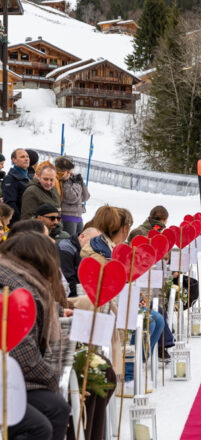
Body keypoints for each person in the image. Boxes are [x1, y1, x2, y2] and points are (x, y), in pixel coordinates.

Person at [0, 232, 71, 440]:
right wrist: (52, 378)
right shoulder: (15, 289)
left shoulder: (22, 281)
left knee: (57, 408)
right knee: (37, 427)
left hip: (10, 376)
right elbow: (23, 355)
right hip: (7, 376)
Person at [58, 227, 100, 297]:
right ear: (82, 237)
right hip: (67, 295)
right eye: (93, 242)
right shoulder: (65, 248)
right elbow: (68, 281)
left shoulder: (88, 249)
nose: (95, 246)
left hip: (80, 291)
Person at [55, 156, 90, 236]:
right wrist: (77, 184)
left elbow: (85, 197)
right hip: (67, 216)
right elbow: (72, 197)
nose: (71, 174)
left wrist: (81, 183)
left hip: (78, 216)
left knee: (79, 240)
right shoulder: (62, 182)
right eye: (70, 172)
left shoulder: (72, 180)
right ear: (64, 172)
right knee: (69, 240)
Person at [2, 148, 31, 225]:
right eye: (22, 157)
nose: (26, 159)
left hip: (29, 221)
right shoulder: (10, 179)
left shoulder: (28, 177)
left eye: (27, 156)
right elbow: (10, 204)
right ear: (14, 160)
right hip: (20, 224)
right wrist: (20, 223)